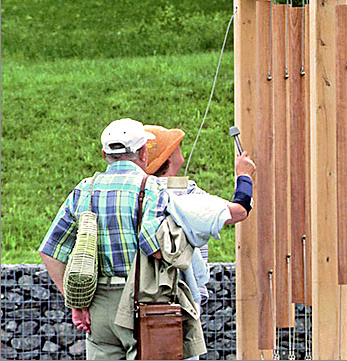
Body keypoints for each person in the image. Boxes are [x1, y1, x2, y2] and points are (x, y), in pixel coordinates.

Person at [38, 118, 256, 360]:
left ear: (104, 154)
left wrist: (76, 302)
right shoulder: (153, 189)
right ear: (142, 152)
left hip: (99, 307)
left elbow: (49, 251)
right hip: (147, 306)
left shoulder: (83, 190)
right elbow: (152, 244)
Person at [144, 125, 210, 311]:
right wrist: (244, 176)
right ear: (169, 157)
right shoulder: (188, 191)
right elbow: (234, 212)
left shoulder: (139, 192)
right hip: (183, 295)